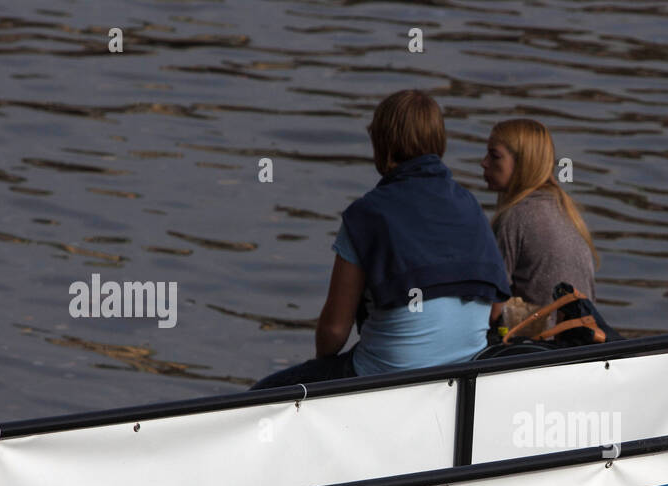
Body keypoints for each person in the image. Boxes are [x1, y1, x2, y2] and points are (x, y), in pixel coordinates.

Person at [253, 90, 510, 388]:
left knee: (261, 396)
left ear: (381, 144)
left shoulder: (366, 215)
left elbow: (334, 331)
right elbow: (495, 308)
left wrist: (321, 365)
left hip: (387, 375)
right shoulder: (469, 205)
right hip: (466, 371)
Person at [481, 119, 598, 335]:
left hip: (543, 347)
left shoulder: (514, 217)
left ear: (523, 163)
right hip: (584, 340)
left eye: (494, 156)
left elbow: (492, 308)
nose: (484, 163)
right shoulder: (566, 209)